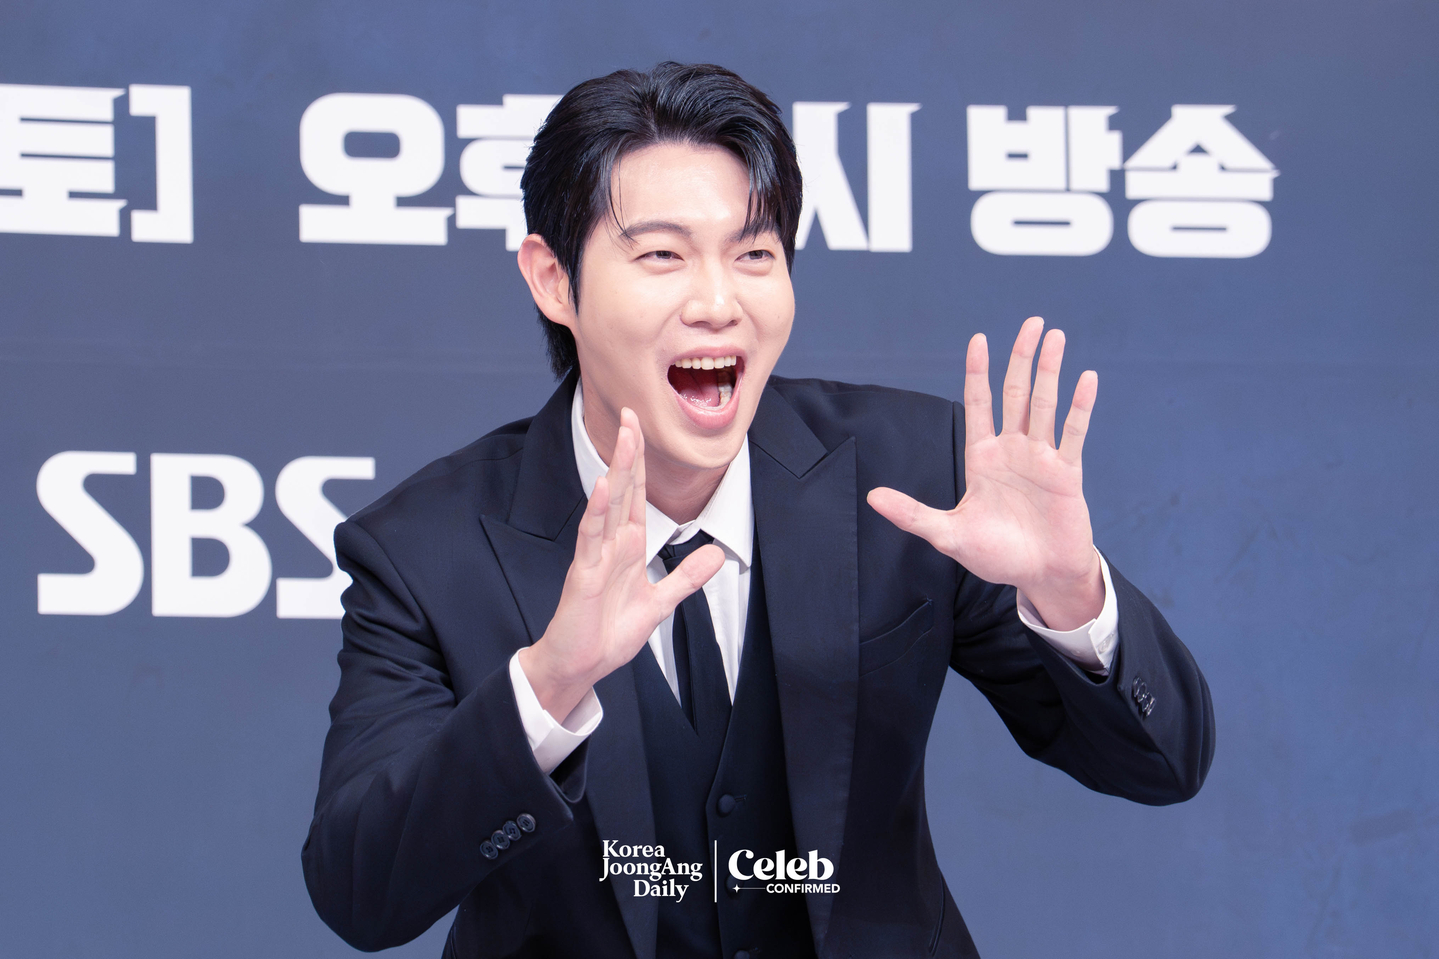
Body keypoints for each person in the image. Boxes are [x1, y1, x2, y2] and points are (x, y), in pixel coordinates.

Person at [302, 62, 1214, 959]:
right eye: (660, 255)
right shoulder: (423, 551)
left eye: (753, 255)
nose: (716, 302)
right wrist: (544, 687)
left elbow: (1161, 764)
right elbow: (361, 891)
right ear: (552, 279)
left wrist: (1067, 594)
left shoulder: (913, 476)